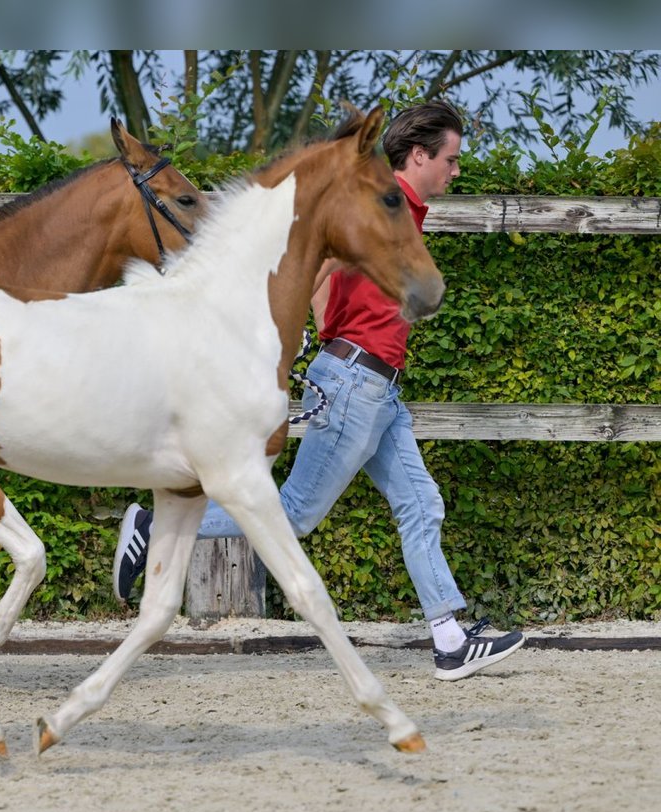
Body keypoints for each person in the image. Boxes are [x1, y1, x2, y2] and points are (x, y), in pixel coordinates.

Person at [112, 100, 524, 682]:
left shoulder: (402, 209)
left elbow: (325, 273)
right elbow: (312, 259)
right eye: (451, 160)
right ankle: (150, 526)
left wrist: (328, 329)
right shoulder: (381, 204)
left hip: (379, 387)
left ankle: (450, 637)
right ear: (420, 155)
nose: (456, 171)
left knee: (420, 503)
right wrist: (323, 341)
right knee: (297, 513)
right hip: (357, 382)